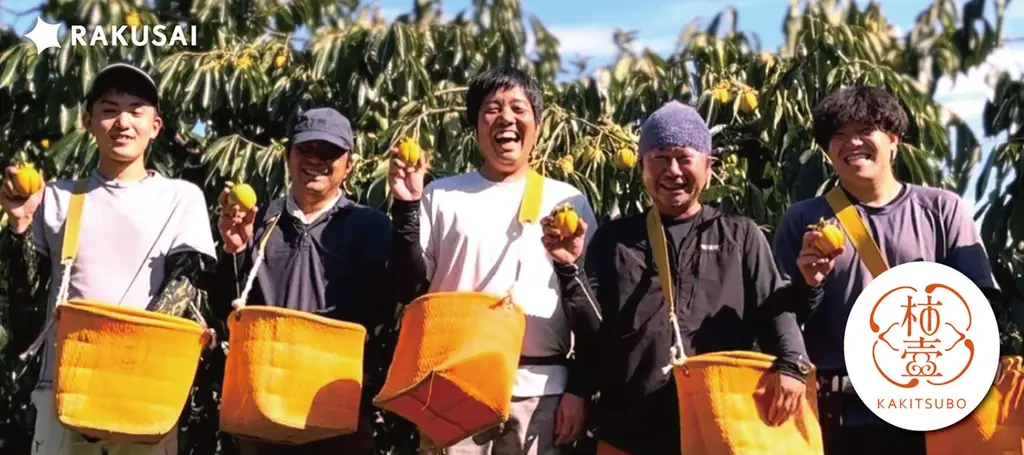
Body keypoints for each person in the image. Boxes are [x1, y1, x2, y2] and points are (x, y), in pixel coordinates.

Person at [548, 100, 814, 455]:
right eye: (659, 157)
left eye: (684, 158)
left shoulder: (740, 236)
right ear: (642, 166)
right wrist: (569, 268)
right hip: (628, 430)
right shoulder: (615, 239)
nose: (672, 170)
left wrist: (793, 363)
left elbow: (773, 310)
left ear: (708, 166)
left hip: (719, 426)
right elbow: (593, 332)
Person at [0, 63, 218, 455]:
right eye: (109, 109)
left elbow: (183, 286)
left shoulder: (181, 198)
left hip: (145, 392)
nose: (123, 123)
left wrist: (121, 371)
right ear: (88, 120)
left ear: (156, 126)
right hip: (65, 389)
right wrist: (20, 224)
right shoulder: (58, 198)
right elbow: (26, 302)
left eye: (136, 111)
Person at [771, 84, 1000, 455]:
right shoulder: (804, 219)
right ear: (827, 150)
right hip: (838, 415)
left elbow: (978, 304)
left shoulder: (942, 210)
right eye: (839, 136)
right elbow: (781, 313)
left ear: (893, 139)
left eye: (865, 131)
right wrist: (809, 284)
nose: (852, 143)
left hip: (925, 408)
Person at [387, 66, 601, 455]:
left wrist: (579, 389)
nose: (506, 118)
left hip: (539, 391)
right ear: (475, 127)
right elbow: (408, 288)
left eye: (519, 108)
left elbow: (589, 306)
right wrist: (406, 206)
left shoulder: (566, 201)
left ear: (537, 124)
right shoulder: (441, 196)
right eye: (492, 109)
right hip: (453, 386)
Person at [213, 107, 392, 455]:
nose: (316, 160)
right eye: (306, 149)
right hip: (262, 408)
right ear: (288, 156)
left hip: (334, 409)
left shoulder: (370, 226)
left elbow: (385, 311)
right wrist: (233, 250)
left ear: (349, 165)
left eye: (329, 153)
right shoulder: (260, 221)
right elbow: (228, 310)